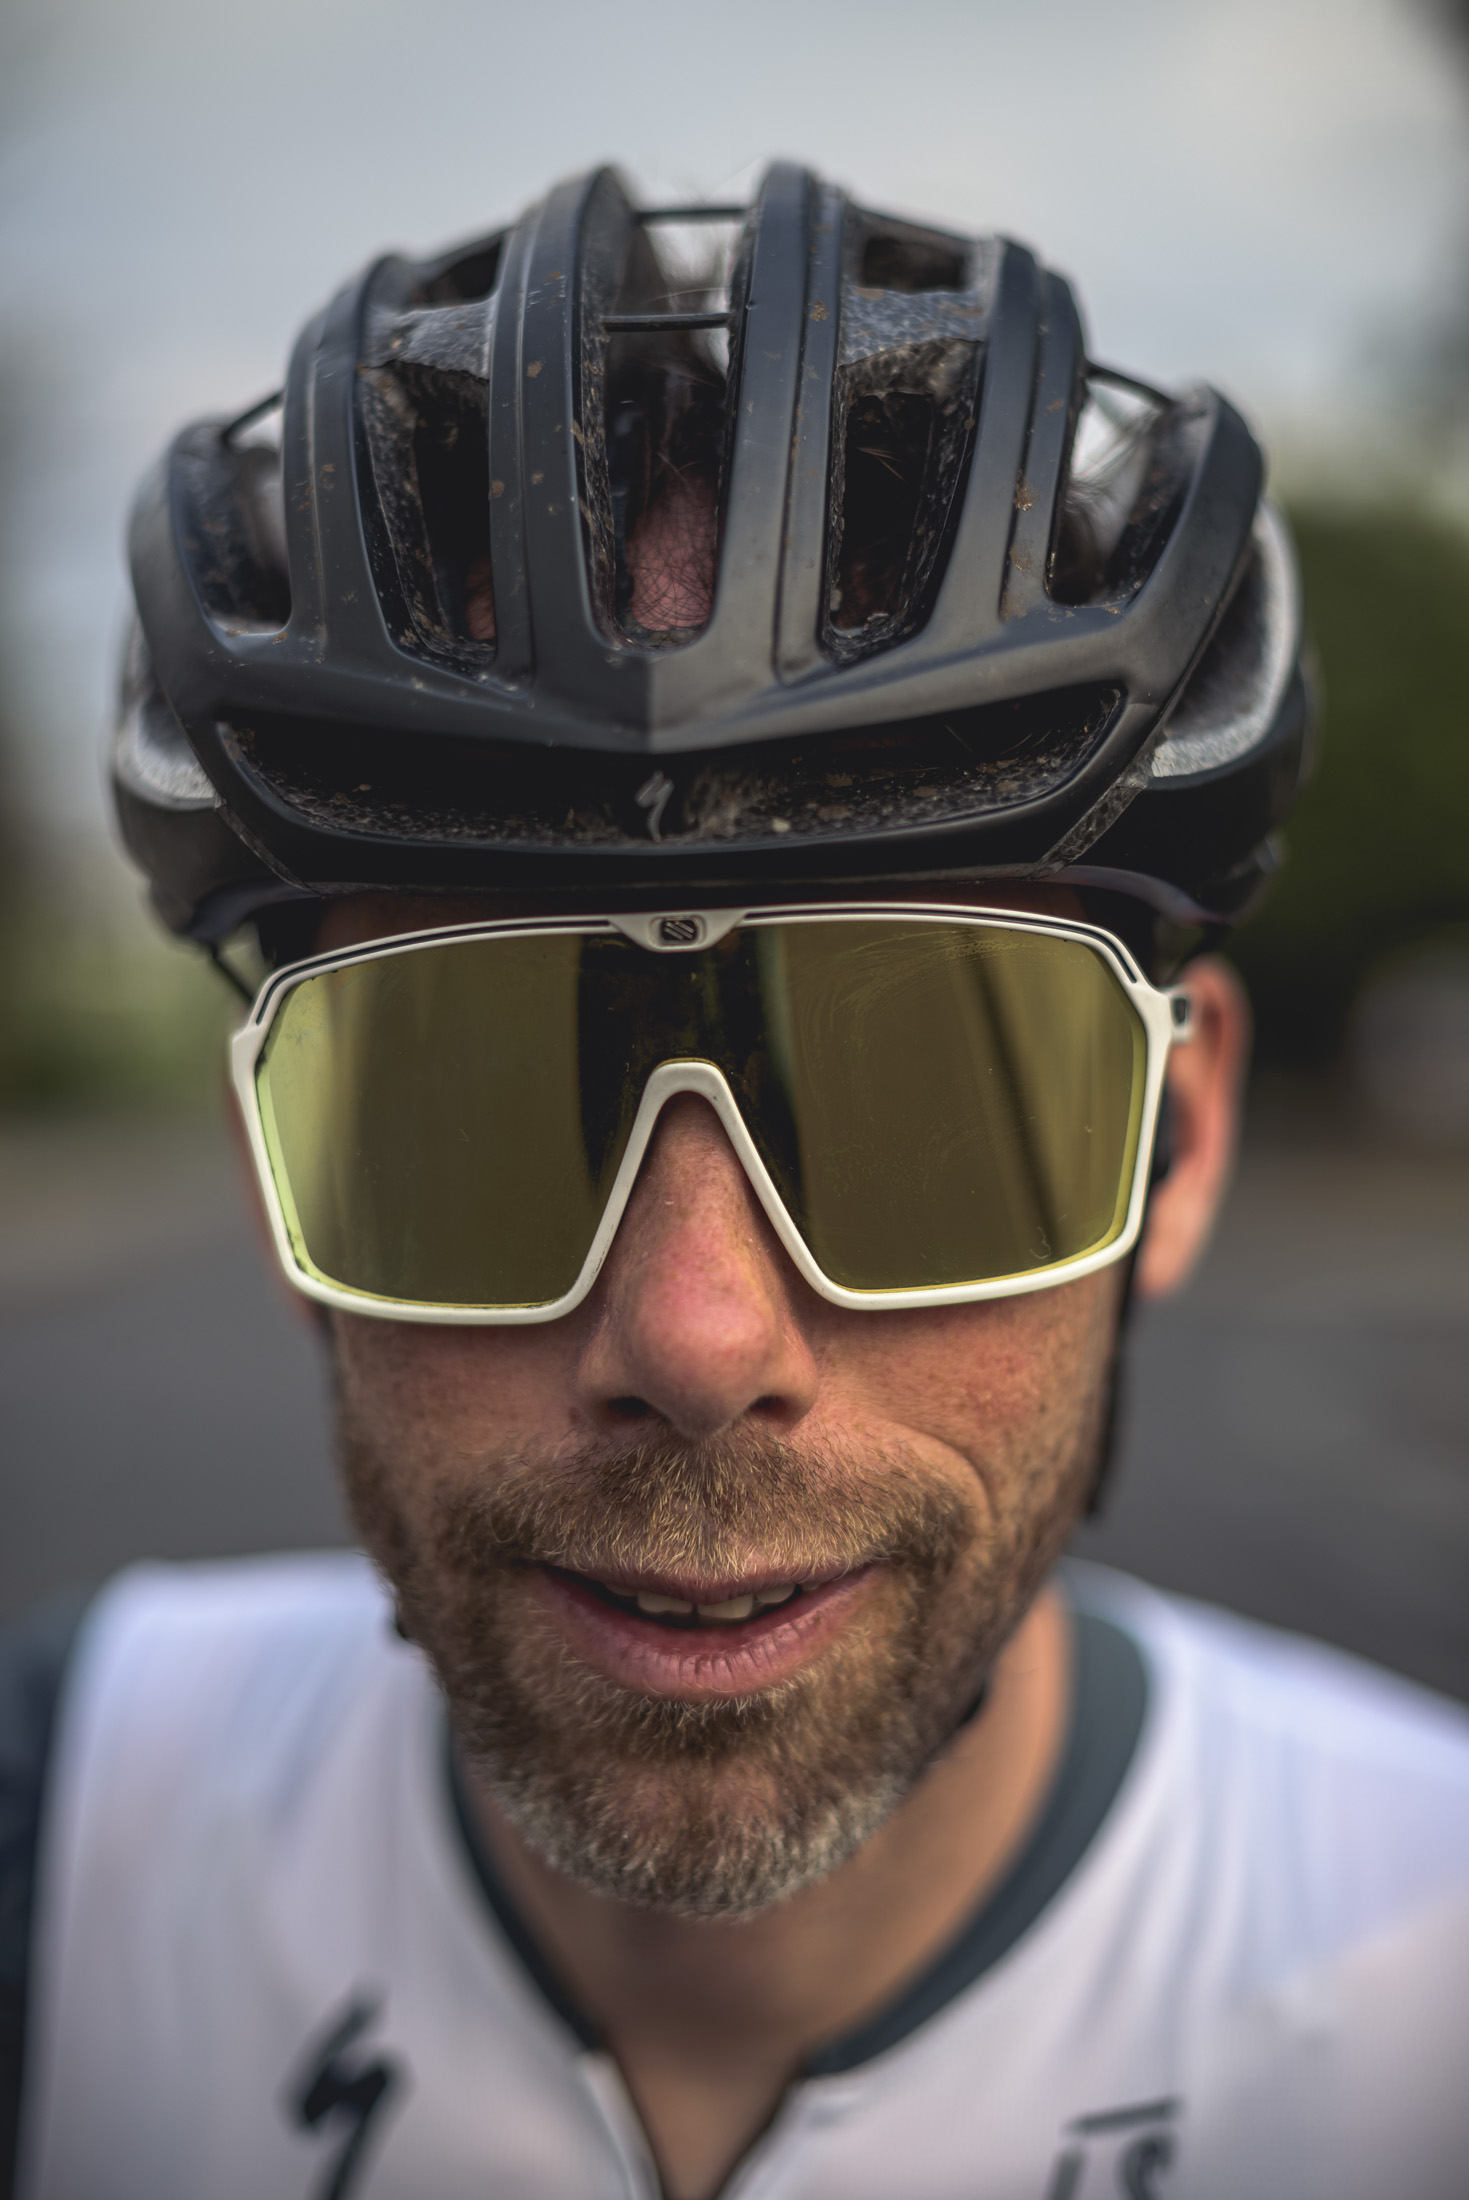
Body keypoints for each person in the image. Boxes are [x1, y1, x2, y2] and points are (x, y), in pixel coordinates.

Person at [3, 162, 1467, 2200]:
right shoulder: (56, 1847)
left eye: (923, 1100)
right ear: (280, 1175)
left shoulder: (1432, 1983)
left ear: (1179, 1140)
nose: (695, 1335)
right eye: (470, 1101)